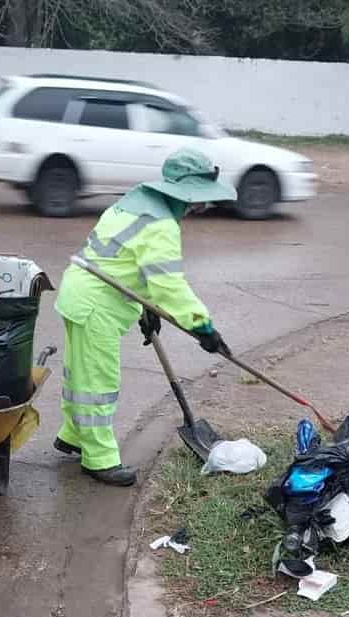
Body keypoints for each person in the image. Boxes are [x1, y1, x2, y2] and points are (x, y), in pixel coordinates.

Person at [53, 148, 237, 486]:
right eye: (198, 200)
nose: (199, 207)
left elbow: (123, 262)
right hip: (97, 306)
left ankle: (73, 436)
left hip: (79, 293)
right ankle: (100, 459)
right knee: (98, 385)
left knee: (79, 376)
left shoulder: (134, 202)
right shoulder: (161, 225)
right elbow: (169, 285)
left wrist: (144, 308)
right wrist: (202, 327)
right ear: (186, 194)